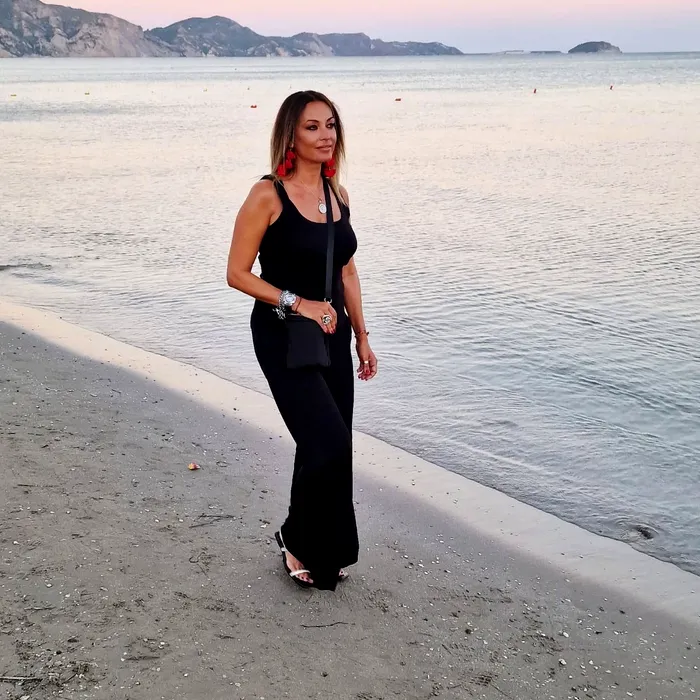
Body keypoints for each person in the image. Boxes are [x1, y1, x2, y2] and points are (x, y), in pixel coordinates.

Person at [226, 90, 378, 591]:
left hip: (332, 336)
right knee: (326, 442)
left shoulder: (339, 195)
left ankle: (322, 549)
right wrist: (299, 303)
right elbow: (237, 273)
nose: (326, 135)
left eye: (331, 124)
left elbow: (347, 272)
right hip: (282, 333)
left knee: (326, 439)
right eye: (313, 127)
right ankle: (295, 537)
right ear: (290, 135)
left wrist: (362, 336)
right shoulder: (267, 195)